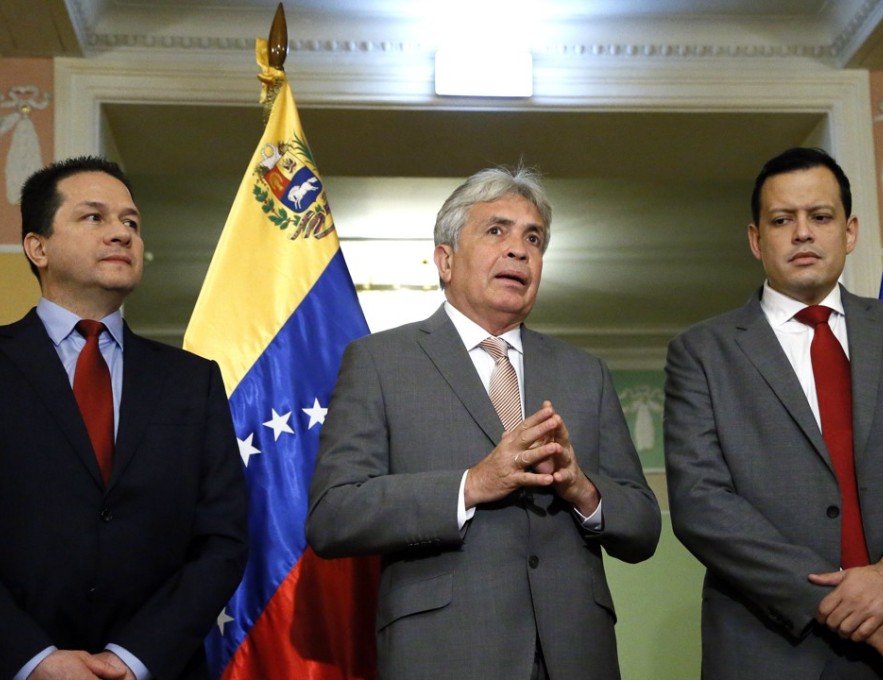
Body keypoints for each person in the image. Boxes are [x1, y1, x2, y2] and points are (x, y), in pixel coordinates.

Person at [306, 166, 660, 680]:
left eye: (533, 238)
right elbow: (333, 516)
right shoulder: (380, 362)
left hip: (576, 657)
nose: (519, 249)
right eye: (497, 230)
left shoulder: (586, 374)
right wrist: (472, 485)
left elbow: (644, 527)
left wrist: (582, 488)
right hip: (443, 655)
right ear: (445, 260)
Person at [664, 147, 883, 679]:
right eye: (782, 220)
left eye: (820, 217)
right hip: (776, 647)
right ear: (756, 239)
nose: (803, 234)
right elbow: (701, 503)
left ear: (850, 231)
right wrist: (836, 599)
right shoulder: (701, 352)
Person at [0, 157, 248, 680]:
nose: (121, 234)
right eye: (94, 218)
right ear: (37, 247)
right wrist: (33, 657)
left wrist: (133, 658)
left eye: (131, 223)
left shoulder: (192, 381)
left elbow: (221, 540)